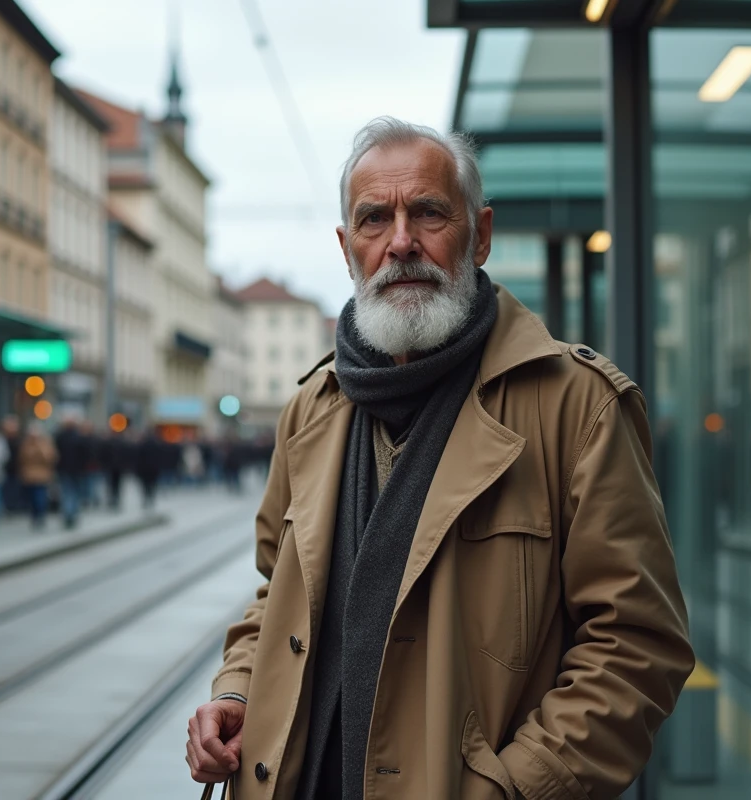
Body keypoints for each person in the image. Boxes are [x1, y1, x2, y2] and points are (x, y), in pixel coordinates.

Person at [186, 117, 694, 799]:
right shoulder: (312, 407)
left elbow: (636, 645)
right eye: (374, 220)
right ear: (347, 248)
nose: (401, 243)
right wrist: (239, 692)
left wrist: (516, 788)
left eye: (428, 213)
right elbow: (277, 596)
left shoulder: (579, 406)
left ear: (479, 234)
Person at [18, 422, 57, 529]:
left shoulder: (45, 443)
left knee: (40, 497)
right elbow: (22, 459)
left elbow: (50, 458)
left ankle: (40, 515)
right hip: (30, 475)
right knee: (32, 498)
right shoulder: (26, 444)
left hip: (42, 476)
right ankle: (35, 516)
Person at [54, 418, 87, 529]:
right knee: (74, 492)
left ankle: (68, 514)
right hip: (76, 470)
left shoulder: (60, 437)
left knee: (67, 492)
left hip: (65, 469)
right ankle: (72, 513)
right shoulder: (79, 437)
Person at [1, 415, 23, 515]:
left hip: (16, 468)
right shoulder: (2, 440)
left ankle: (13, 506)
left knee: (14, 488)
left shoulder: (19, 440)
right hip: (5, 469)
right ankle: (7, 506)